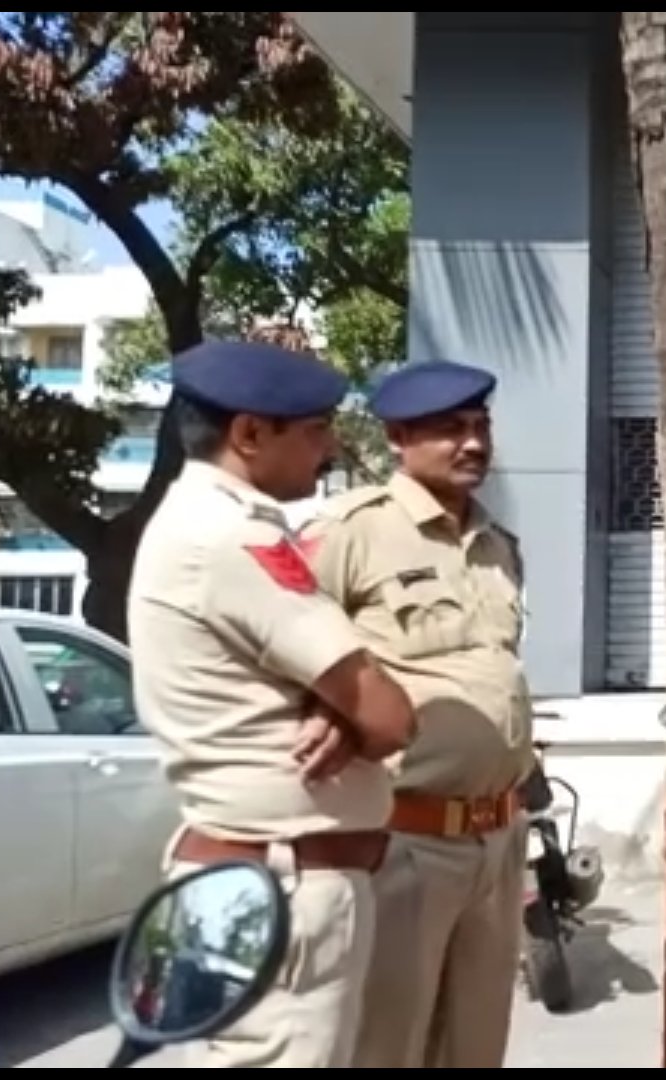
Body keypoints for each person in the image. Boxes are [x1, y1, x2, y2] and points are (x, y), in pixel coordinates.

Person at [127, 340, 417, 1068]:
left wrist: (338, 712)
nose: (330, 448)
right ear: (249, 434)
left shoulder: (195, 522)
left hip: (257, 882)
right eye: (316, 428)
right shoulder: (235, 538)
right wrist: (353, 711)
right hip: (281, 890)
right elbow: (388, 716)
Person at [295, 359, 536, 1068]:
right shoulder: (351, 532)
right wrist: (332, 710)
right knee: (386, 1047)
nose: (473, 444)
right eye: (450, 430)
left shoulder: (499, 546)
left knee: (474, 1048)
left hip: (497, 838)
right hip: (405, 841)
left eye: (481, 427)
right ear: (399, 437)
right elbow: (275, 653)